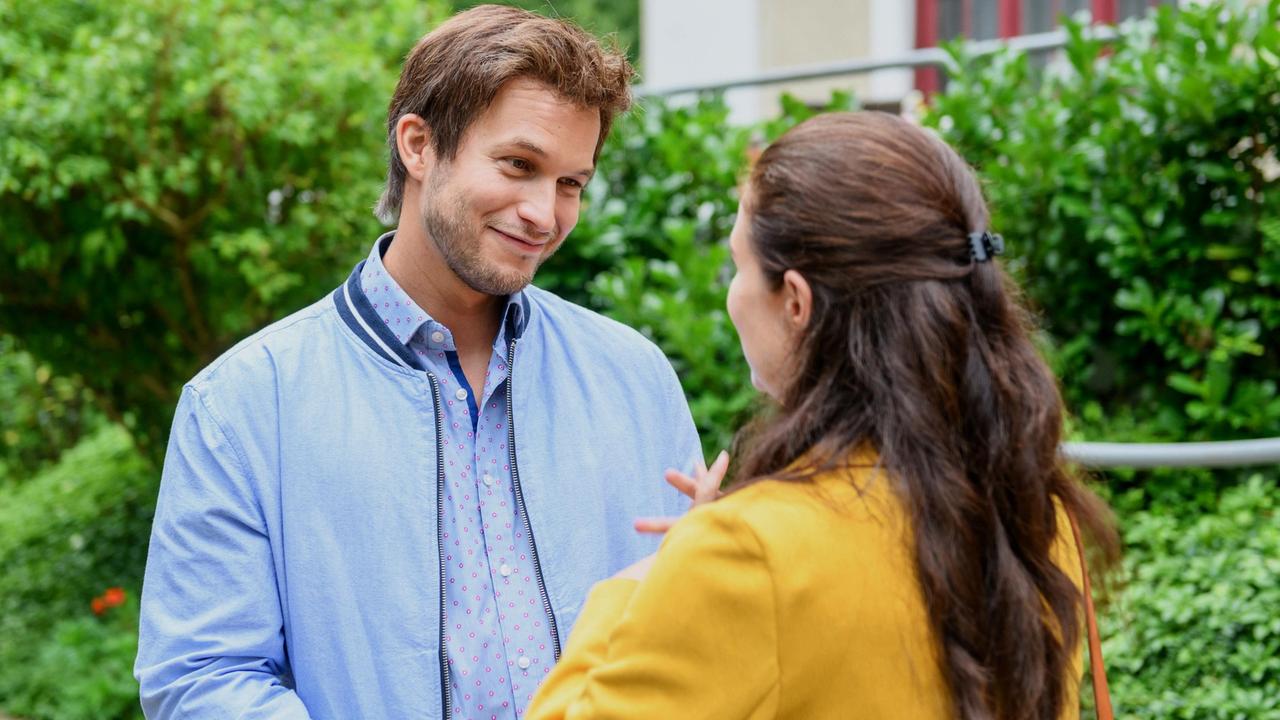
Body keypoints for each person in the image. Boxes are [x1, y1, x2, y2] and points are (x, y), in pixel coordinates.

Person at [134, 6, 702, 719]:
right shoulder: (243, 405)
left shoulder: (635, 377)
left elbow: (689, 635)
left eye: (570, 184)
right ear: (418, 145)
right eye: (519, 166)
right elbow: (202, 677)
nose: (544, 214)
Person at [525, 111, 1119, 720]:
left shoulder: (749, 553)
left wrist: (653, 580)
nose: (732, 295)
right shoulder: (1036, 512)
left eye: (739, 267)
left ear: (797, 302)